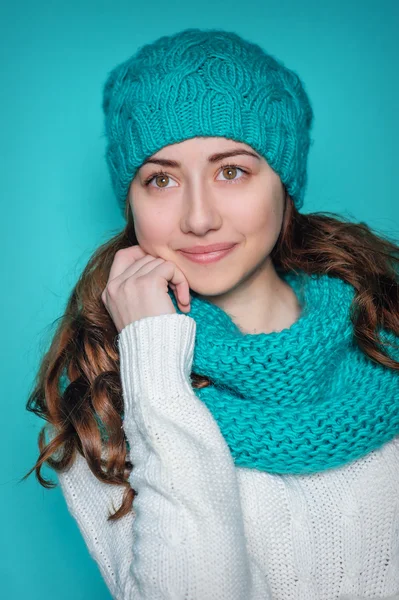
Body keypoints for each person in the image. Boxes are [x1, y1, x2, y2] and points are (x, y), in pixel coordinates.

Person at [22, 27, 399, 600]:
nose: (199, 218)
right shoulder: (98, 403)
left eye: (232, 171)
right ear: (133, 201)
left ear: (284, 184)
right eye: (162, 179)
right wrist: (151, 356)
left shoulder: (388, 339)